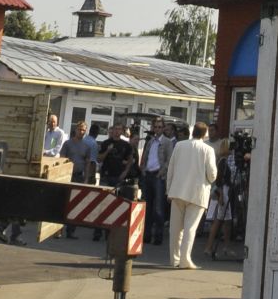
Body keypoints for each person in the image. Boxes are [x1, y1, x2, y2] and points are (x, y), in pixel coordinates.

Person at [165, 121, 217, 270]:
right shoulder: (208, 150)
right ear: (205, 134)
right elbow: (212, 175)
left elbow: (171, 168)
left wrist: (168, 190)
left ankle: (173, 259)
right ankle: (185, 260)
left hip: (177, 191)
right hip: (197, 193)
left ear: (193, 131)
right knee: (190, 228)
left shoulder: (180, 145)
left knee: (175, 228)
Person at [93, 123, 137, 242]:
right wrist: (107, 151)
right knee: (102, 203)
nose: (117, 132)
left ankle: (111, 232)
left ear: (122, 131)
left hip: (118, 178)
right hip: (106, 176)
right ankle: (97, 232)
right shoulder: (106, 143)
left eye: (119, 129)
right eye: (115, 129)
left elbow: (130, 160)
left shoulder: (126, 145)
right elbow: (99, 158)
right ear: (112, 131)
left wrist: (125, 172)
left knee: (115, 205)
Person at [58, 120, 99, 239]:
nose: (81, 132)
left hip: (79, 176)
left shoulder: (86, 146)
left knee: (75, 205)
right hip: (67, 176)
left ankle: (71, 231)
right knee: (64, 203)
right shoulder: (67, 143)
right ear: (75, 130)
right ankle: (58, 229)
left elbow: (87, 163)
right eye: (80, 129)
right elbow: (62, 159)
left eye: (83, 130)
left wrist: (86, 178)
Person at [138, 116, 171, 246]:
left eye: (159, 127)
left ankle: (158, 236)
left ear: (163, 128)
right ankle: (146, 235)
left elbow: (169, 160)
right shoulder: (151, 141)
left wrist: (161, 173)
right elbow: (145, 156)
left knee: (158, 208)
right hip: (148, 175)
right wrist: (143, 169)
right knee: (147, 206)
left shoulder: (167, 142)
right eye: (155, 127)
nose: (157, 129)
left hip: (158, 176)